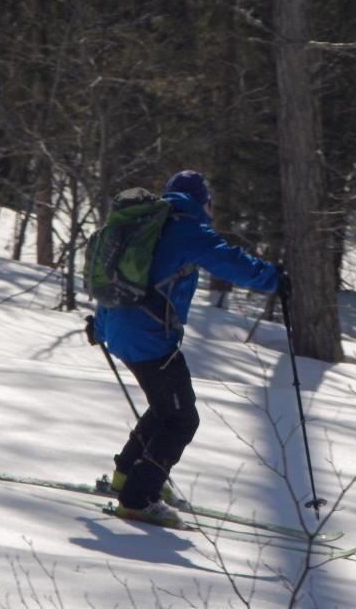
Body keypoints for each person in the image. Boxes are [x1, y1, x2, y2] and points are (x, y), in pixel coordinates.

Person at [87, 170, 288, 527]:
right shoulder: (184, 228)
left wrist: (101, 327)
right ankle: (137, 499)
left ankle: (126, 476)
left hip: (121, 331)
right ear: (202, 200)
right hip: (149, 337)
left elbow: (122, 282)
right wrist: (274, 278)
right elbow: (230, 262)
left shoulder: (145, 225)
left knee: (166, 407)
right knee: (182, 419)